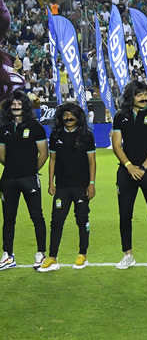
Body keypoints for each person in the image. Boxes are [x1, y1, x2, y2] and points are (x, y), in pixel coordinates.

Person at [111, 80, 147, 270]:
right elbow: (116, 145)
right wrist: (129, 166)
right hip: (126, 172)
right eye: (139, 94)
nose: (144, 98)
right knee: (125, 214)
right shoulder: (120, 116)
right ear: (131, 97)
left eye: (145, 94)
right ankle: (128, 255)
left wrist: (142, 168)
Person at [39, 103, 96, 272]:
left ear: (78, 116)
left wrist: (91, 183)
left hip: (81, 186)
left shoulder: (86, 136)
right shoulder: (56, 135)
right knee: (56, 221)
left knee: (82, 220)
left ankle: (82, 255)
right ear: (61, 117)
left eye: (72, 115)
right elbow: (53, 160)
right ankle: (52, 257)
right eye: (65, 115)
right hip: (62, 186)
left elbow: (92, 161)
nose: (68, 118)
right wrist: (51, 182)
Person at [0, 90, 48, 270]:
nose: (16, 106)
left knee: (37, 216)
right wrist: (15, 168)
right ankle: (7, 255)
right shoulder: (3, 127)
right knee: (8, 218)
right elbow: (1, 155)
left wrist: (29, 170)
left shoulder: (36, 127)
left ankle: (41, 254)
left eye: (19, 103)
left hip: (29, 179)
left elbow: (43, 154)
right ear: (9, 106)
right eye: (13, 103)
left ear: (25, 106)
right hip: (8, 180)